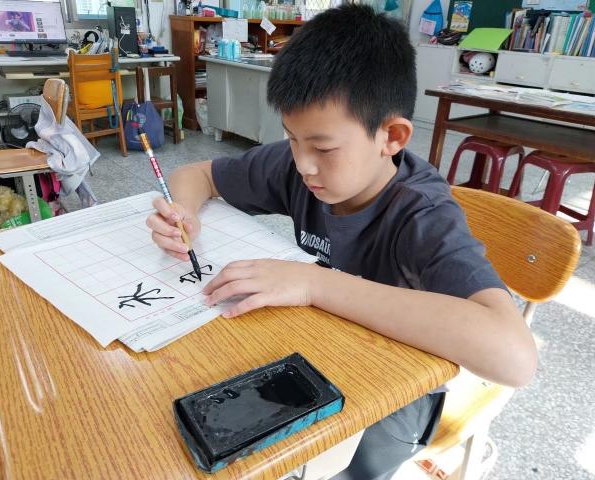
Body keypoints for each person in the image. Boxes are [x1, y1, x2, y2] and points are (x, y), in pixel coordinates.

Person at [147, 4, 537, 478]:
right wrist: (185, 213)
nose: (303, 163)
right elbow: (197, 174)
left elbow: (514, 357)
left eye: (323, 148)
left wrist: (315, 284)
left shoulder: (423, 214)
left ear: (392, 137)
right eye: (292, 139)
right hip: (324, 348)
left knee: (328, 462)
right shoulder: (301, 165)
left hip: (400, 390)